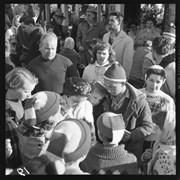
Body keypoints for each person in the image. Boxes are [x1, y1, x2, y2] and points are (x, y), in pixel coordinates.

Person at [102, 62, 153, 166]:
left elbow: (148, 126)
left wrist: (131, 136)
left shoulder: (139, 102)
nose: (108, 89)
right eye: (106, 85)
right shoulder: (103, 96)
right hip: (108, 150)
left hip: (130, 152)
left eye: (112, 86)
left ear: (123, 84)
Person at [16, 91, 63, 164]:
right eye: (59, 111)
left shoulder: (25, 126)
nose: (60, 114)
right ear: (50, 117)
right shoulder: (41, 141)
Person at [5, 67, 38, 169]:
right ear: (13, 86)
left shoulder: (22, 100)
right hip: (14, 159)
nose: (30, 95)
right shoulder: (6, 111)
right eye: (26, 91)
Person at [139, 65, 175, 154]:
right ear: (145, 78)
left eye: (158, 82)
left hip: (154, 142)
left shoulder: (167, 101)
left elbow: (170, 126)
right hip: (136, 138)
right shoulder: (137, 95)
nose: (154, 85)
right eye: (151, 80)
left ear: (163, 81)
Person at [60, 77, 95, 142]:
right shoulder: (57, 106)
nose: (78, 105)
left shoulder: (87, 105)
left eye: (82, 102)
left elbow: (91, 130)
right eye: (75, 101)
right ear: (66, 94)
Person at [141, 110, 175, 175]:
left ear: (166, 131)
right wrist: (145, 158)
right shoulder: (159, 143)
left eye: (157, 127)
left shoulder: (170, 156)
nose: (154, 129)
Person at [103, 12, 134, 79]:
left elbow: (127, 63)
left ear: (119, 23)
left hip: (118, 75)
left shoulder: (128, 40)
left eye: (112, 21)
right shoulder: (105, 36)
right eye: (109, 20)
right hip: (104, 73)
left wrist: (124, 77)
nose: (109, 22)